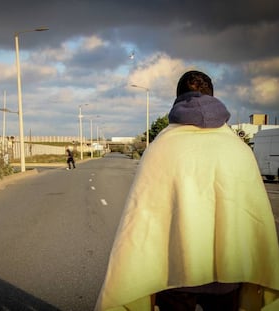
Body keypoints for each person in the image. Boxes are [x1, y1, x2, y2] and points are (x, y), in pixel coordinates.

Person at [95, 70, 279, 311]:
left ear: (177, 99)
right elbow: (254, 215)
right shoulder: (238, 148)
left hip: (173, 273)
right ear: (213, 96)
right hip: (228, 273)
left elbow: (142, 217)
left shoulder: (160, 147)